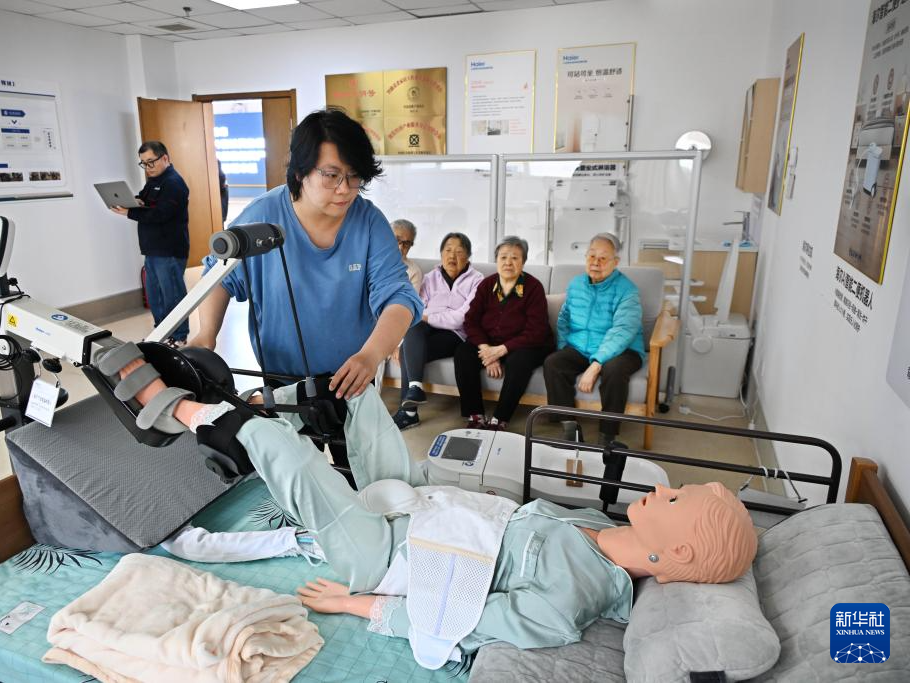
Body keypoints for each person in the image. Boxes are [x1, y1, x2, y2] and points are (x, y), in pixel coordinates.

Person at [106, 351, 758, 662]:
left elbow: (460, 622)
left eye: (674, 498)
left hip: (388, 559)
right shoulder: (596, 524)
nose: (660, 489)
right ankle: (276, 405)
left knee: (292, 458)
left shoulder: (573, 599)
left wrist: (356, 604)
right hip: (424, 511)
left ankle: (176, 410)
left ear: (676, 551)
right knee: (362, 400)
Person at [195, 109, 422, 399]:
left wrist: (371, 355)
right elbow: (220, 276)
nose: (345, 189)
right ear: (300, 171)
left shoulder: (368, 222)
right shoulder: (263, 215)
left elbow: (399, 297)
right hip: (281, 380)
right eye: (332, 176)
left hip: (352, 378)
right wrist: (207, 334)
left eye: (354, 176)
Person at [543, 232, 644, 445]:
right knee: (554, 363)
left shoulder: (627, 290)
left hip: (623, 349)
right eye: (591, 256)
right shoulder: (576, 284)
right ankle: (570, 429)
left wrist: (596, 364)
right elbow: (564, 318)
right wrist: (564, 347)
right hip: (581, 346)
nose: (596, 262)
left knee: (615, 370)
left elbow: (623, 330)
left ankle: (607, 436)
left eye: (603, 258)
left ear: (615, 262)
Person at [454, 236, 553, 431]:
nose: (508, 262)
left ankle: (500, 418)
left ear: (523, 262)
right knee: (463, 353)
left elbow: (536, 331)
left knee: (519, 362)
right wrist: (487, 351)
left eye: (515, 258)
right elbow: (471, 321)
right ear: (496, 260)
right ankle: (475, 415)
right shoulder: (486, 285)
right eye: (503, 257)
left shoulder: (533, 287)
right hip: (490, 343)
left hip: (527, 344)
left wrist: (500, 351)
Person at [391, 232, 484, 430]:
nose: (452, 256)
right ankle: (415, 389)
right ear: (441, 254)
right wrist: (419, 323)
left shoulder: (477, 280)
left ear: (468, 256)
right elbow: (417, 310)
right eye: (448, 251)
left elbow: (461, 318)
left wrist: (428, 317)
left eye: (459, 252)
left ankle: (408, 413)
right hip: (425, 330)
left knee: (409, 349)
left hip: (455, 334)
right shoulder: (430, 278)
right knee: (412, 332)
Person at [111, 141, 190, 345]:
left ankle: (179, 337)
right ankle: (161, 334)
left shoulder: (174, 183)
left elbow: (160, 214)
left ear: (165, 158)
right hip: (152, 249)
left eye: (151, 162)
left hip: (169, 250)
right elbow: (147, 201)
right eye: (144, 163)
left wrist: (129, 212)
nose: (148, 167)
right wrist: (134, 201)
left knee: (173, 296)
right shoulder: (154, 181)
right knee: (156, 297)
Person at [390, 219, 423, 293]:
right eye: (397, 240)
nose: (400, 247)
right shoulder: (370, 260)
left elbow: (411, 299)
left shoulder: (414, 272)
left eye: (407, 243)